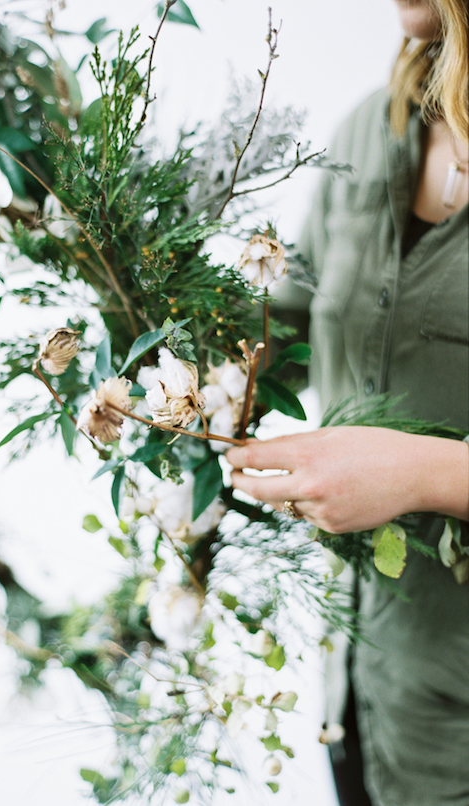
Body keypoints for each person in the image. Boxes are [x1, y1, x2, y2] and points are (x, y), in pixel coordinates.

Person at [226, 1, 469, 804]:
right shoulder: (374, 126)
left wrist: (425, 473)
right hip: (371, 700)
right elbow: (292, 323)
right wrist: (173, 359)